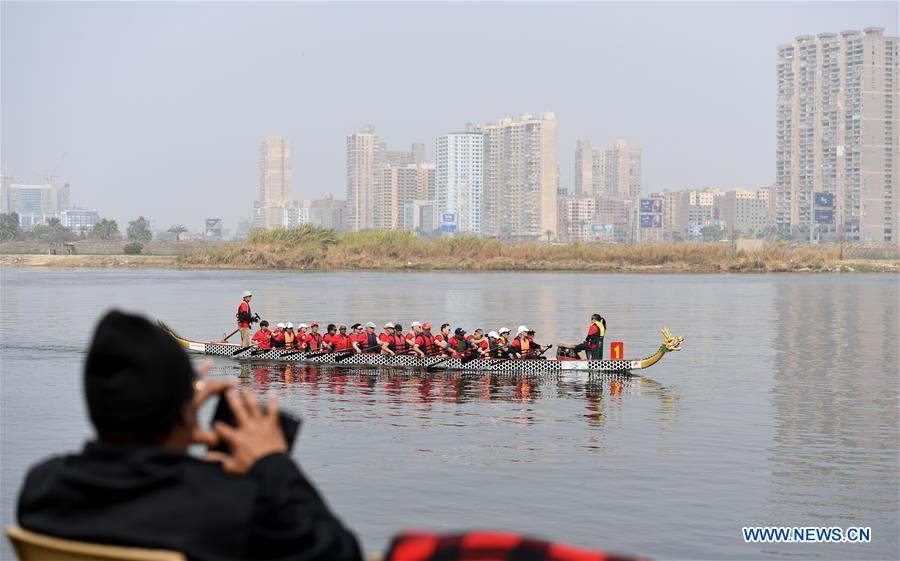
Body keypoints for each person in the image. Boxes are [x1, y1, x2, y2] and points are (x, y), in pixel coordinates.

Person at [16, 310, 362, 561]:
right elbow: (338, 553)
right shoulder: (227, 505)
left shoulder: (42, 486)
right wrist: (272, 463)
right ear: (188, 411)